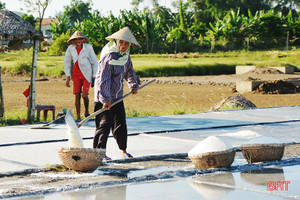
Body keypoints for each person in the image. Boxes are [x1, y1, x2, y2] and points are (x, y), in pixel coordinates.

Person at [94, 27, 141, 161]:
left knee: (120, 123)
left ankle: (123, 151)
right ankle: (100, 153)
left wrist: (133, 85)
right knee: (104, 124)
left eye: (126, 44)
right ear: (116, 42)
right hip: (103, 97)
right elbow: (103, 79)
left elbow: (129, 72)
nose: (123, 46)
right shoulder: (108, 56)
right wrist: (105, 98)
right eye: (121, 42)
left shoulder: (125, 57)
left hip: (117, 96)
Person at [64, 31, 98, 120]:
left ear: (83, 40)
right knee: (77, 95)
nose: (77, 41)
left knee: (84, 95)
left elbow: (94, 62)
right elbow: (67, 63)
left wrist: (94, 76)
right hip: (75, 74)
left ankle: (86, 111)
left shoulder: (88, 47)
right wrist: (68, 77)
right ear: (72, 41)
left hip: (87, 73)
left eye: (79, 39)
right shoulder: (70, 49)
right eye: (75, 39)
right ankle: (78, 116)